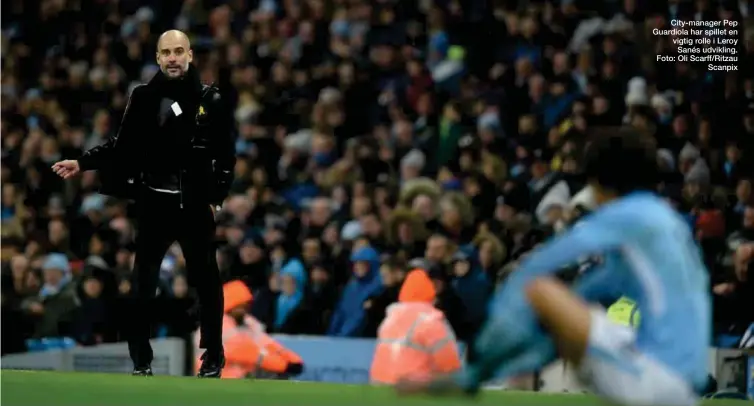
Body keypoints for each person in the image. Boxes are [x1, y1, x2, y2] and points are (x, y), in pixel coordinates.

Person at [398, 129, 711, 406]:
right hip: (683, 384)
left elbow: (537, 268)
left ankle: (471, 378)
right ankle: (477, 377)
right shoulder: (664, 223)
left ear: (599, 182)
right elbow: (594, 289)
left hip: (655, 378)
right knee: (563, 315)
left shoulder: (626, 217)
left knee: (537, 286)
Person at [51, 30, 235, 377]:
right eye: (166, 52)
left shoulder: (210, 99)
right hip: (154, 203)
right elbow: (123, 145)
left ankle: (213, 356)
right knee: (141, 285)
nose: (173, 58)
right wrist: (83, 162)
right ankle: (141, 361)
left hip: (194, 205)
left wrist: (217, 200)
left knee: (207, 282)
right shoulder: (144, 97)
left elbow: (226, 154)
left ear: (191, 55)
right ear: (158, 58)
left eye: (179, 51)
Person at [194, 281, 304, 379]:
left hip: (241, 376)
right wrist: (283, 365)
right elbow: (245, 352)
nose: (243, 310)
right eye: (240, 306)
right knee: (273, 372)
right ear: (229, 306)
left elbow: (267, 343)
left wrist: (292, 359)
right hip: (219, 376)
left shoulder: (247, 323)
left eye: (245, 306)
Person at [370, 269, 461, 384]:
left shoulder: (390, 319)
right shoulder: (431, 319)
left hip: (379, 385)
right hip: (412, 389)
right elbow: (449, 364)